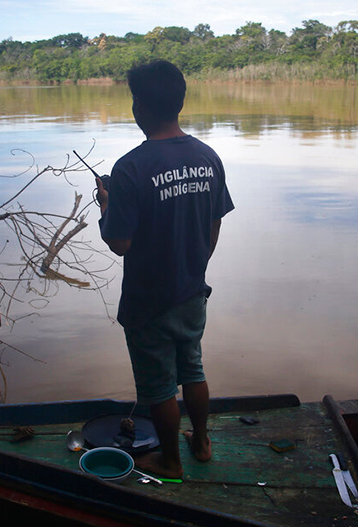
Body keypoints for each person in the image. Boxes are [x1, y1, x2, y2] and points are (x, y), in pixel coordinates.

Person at [95, 60, 234, 479]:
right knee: (193, 368)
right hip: (193, 291)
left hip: (148, 300)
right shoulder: (207, 157)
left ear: (139, 106)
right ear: (179, 102)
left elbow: (120, 243)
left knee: (158, 387)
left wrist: (106, 206)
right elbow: (214, 222)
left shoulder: (131, 168)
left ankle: (171, 461)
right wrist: (195, 264)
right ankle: (202, 444)